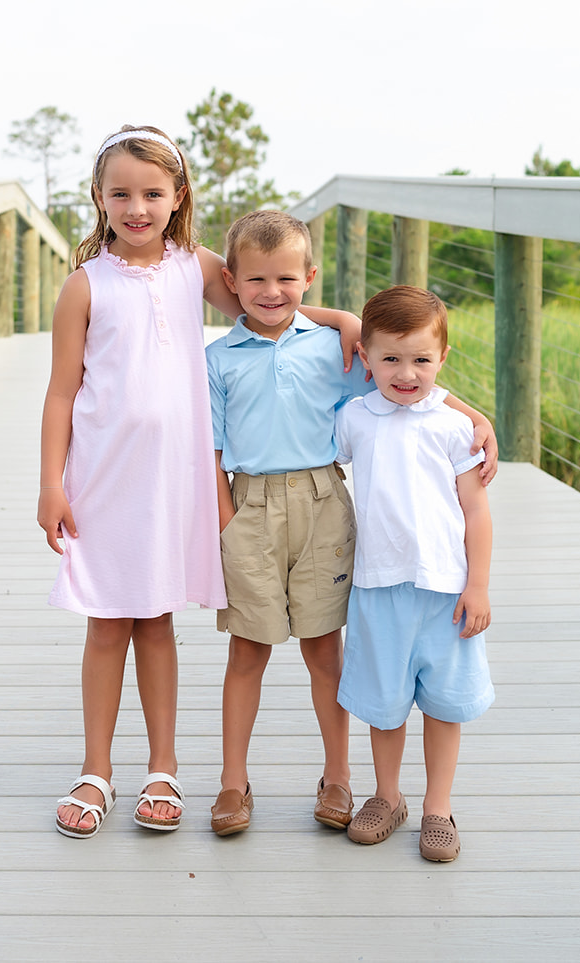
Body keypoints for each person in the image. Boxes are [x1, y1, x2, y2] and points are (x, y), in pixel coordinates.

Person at [39, 125, 363, 838]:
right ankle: (97, 768)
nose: (137, 207)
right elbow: (62, 391)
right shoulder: (83, 285)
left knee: (154, 618)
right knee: (106, 621)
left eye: (153, 192)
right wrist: (50, 483)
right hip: (102, 475)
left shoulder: (194, 265)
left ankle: (163, 765)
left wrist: (341, 318)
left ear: (177, 195)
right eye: (120, 193)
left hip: (171, 479)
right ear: (97, 197)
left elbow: (269, 301)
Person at [204, 210, 375, 836]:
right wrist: (227, 522)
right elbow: (211, 451)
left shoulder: (335, 346)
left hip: (324, 501)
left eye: (285, 279)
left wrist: (471, 416)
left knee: (324, 651)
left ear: (308, 278)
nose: (271, 292)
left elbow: (404, 381)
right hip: (248, 507)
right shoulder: (217, 359)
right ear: (231, 281)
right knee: (247, 650)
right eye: (255, 280)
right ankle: (232, 782)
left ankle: (338, 777)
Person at [334, 286, 495, 862]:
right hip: (378, 587)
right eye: (391, 359)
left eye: (422, 360)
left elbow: (476, 511)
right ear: (367, 357)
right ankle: (387, 795)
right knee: (385, 703)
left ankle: (438, 807)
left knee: (445, 703)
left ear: (443, 360)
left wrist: (477, 585)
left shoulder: (456, 429)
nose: (406, 373)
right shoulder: (354, 417)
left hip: (446, 591)